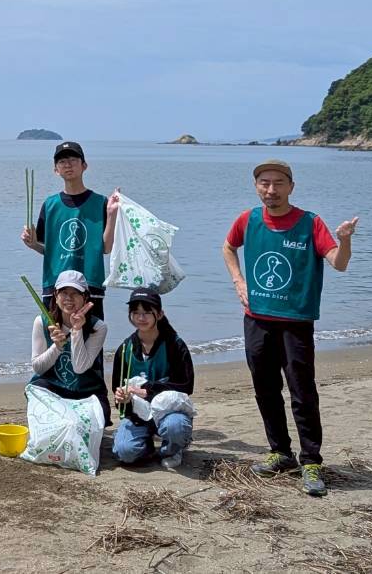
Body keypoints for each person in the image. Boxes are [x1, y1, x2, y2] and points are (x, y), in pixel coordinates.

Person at [221, 159, 358, 496]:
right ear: (256, 187)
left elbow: (338, 264)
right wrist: (238, 281)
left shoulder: (310, 222)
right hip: (256, 319)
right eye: (264, 183)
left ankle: (311, 460)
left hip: (295, 322)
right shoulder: (248, 219)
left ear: (290, 187)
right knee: (265, 388)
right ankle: (280, 453)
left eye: (278, 183)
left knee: (301, 391)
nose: (271, 189)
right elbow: (228, 247)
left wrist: (344, 240)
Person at [20, 141, 119, 319]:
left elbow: (106, 248)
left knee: (91, 341)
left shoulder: (100, 202)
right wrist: (33, 244)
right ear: (55, 170)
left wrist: (111, 214)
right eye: (62, 161)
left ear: (84, 166)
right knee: (55, 341)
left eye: (73, 159)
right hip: (56, 286)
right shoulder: (50, 205)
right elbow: (49, 250)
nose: (68, 164)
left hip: (90, 283)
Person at [111, 288, 195, 468]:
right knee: (125, 452)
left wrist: (147, 390)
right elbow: (118, 394)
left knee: (176, 427)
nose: (141, 318)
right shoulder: (125, 349)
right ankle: (146, 446)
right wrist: (122, 398)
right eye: (136, 312)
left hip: (169, 412)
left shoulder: (174, 345)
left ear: (160, 313)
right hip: (137, 416)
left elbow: (186, 386)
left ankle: (172, 449)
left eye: (147, 312)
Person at [28, 270, 110, 425]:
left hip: (86, 389)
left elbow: (80, 367)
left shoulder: (98, 327)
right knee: (36, 393)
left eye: (75, 293)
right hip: (54, 387)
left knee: (100, 417)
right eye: (64, 293)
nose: (69, 299)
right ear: (55, 296)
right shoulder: (42, 322)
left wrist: (77, 330)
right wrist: (56, 347)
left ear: (85, 297)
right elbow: (38, 368)